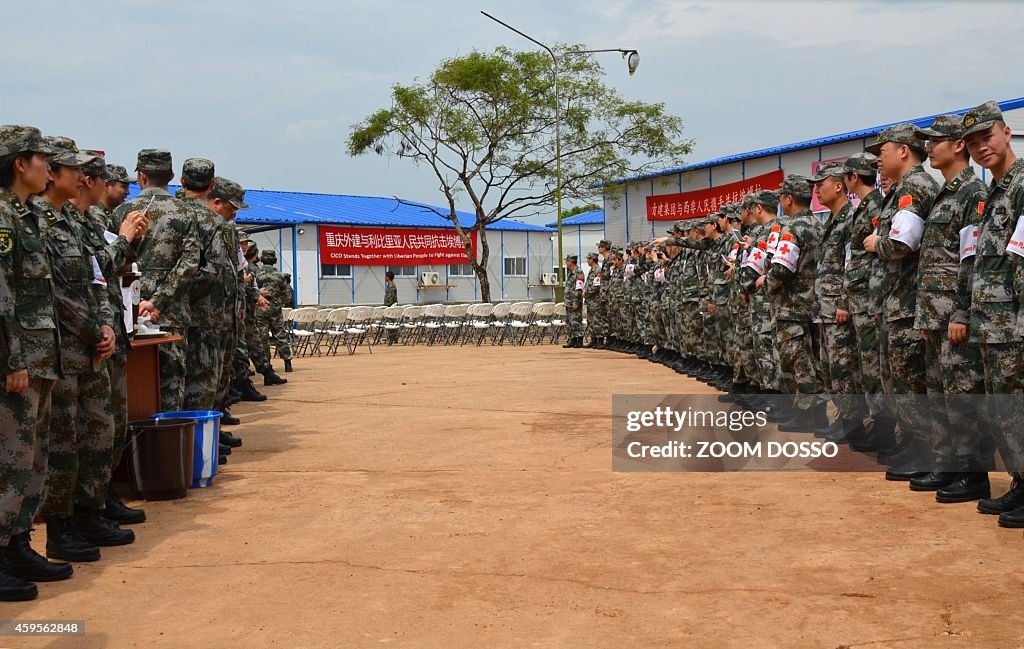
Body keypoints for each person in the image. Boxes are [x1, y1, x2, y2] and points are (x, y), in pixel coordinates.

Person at [32, 138, 133, 563]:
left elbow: (94, 280)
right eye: (72, 169)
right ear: (49, 173)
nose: (83, 177)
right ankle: (61, 526)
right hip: (65, 348)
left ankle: (89, 511)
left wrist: (106, 325)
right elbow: (55, 290)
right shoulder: (37, 220)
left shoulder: (72, 221)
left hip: (91, 345)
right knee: (63, 442)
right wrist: (95, 327)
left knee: (96, 433)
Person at [0, 126, 67, 600]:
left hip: (40, 358)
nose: (49, 166)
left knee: (32, 460)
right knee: (10, 462)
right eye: (42, 158)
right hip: (18, 360)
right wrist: (12, 359)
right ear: (19, 163)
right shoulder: (2, 217)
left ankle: (18, 543)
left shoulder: (25, 215)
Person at [909, 115, 991, 501]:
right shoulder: (946, 193)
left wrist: (960, 312)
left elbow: (970, 260)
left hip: (952, 316)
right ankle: (947, 464)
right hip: (934, 314)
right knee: (940, 394)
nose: (928, 147)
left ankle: (972, 473)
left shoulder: (972, 193)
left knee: (962, 397)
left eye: (935, 140)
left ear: (958, 145)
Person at [956, 101, 1024, 527]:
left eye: (988, 137)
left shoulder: (1022, 186)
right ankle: (1020, 483)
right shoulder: (992, 196)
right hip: (990, 325)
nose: (983, 147)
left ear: (1007, 132)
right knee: (1006, 410)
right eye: (974, 142)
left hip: (1014, 325)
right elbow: (974, 263)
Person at [863, 124, 941, 480]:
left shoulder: (914, 188)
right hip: (897, 303)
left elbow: (900, 245)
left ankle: (923, 452)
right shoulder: (900, 191)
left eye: (884, 149)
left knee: (911, 382)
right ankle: (913, 444)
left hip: (909, 304)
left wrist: (874, 243)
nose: (878, 157)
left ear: (905, 151)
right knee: (899, 381)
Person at [112, 149, 200, 412]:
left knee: (133, 389)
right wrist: (158, 301)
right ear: (171, 176)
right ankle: (170, 449)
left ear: (140, 176)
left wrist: (141, 302)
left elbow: (110, 261)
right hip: (170, 313)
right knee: (172, 387)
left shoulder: (121, 212)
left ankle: (139, 451)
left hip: (129, 315)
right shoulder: (186, 213)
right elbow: (190, 263)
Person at [810, 162, 866, 443]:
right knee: (830, 366)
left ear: (839, 186)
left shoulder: (850, 219)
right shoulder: (831, 221)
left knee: (844, 366)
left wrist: (844, 301)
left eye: (822, 184)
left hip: (839, 308)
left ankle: (852, 420)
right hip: (825, 307)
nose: (817, 190)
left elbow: (852, 264)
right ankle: (844, 415)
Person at [767, 175, 826, 432]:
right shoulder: (818, 225)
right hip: (814, 304)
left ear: (788, 199)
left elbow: (780, 269)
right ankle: (815, 415)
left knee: (797, 362)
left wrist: (766, 283)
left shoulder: (793, 229)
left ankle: (806, 416)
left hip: (792, 307)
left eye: (781, 196)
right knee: (812, 360)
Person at [179, 159, 231, 411]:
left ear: (181, 182)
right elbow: (212, 271)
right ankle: (201, 444)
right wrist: (188, 296)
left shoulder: (168, 214)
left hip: (165, 315)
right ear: (212, 185)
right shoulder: (214, 223)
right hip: (205, 313)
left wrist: (173, 297)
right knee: (203, 381)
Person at [255, 249, 293, 373]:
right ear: (274, 260)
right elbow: (288, 295)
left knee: (262, 337)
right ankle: (287, 363)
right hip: (276, 310)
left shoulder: (256, 274)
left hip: (260, 309)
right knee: (280, 335)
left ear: (262, 259)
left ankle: (268, 365)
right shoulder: (281, 276)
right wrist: (279, 301)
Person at [561, 255, 585, 348]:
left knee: (576, 321)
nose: (566, 263)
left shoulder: (578, 272)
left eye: (567, 261)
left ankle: (579, 339)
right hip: (569, 301)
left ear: (571, 261)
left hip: (574, 301)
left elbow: (579, 288)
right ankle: (572, 339)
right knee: (569, 321)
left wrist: (576, 301)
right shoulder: (571, 272)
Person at [384, 270, 399, 344]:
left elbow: (390, 297)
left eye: (386, 276)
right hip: (390, 306)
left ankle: (392, 337)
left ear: (388, 277)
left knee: (391, 322)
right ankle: (393, 337)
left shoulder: (391, 286)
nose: (384, 277)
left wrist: (386, 306)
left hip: (391, 306)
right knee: (391, 322)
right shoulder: (389, 285)